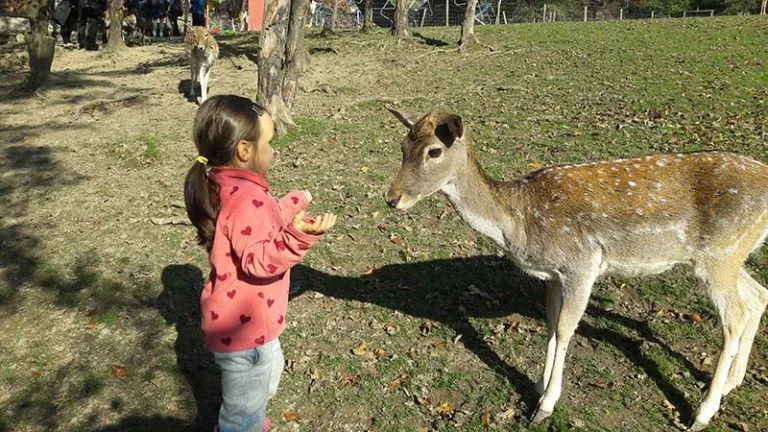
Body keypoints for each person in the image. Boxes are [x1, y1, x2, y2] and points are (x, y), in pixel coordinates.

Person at [184, 95, 337, 431]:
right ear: (244, 150)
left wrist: (292, 204)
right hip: (246, 331)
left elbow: (259, 225)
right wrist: (296, 238)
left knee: (264, 380)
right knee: (243, 413)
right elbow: (259, 260)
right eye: (269, 143)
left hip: (250, 324)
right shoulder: (246, 198)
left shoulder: (227, 183)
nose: (273, 151)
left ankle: (248, 417)